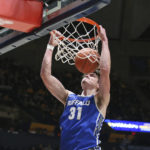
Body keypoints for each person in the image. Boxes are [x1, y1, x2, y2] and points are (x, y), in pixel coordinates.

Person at [40, 25, 111, 150]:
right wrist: (50, 47)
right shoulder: (68, 97)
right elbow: (45, 75)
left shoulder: (100, 100)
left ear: (98, 85)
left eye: (93, 74)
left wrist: (104, 40)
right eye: (86, 73)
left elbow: (104, 70)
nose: (87, 74)